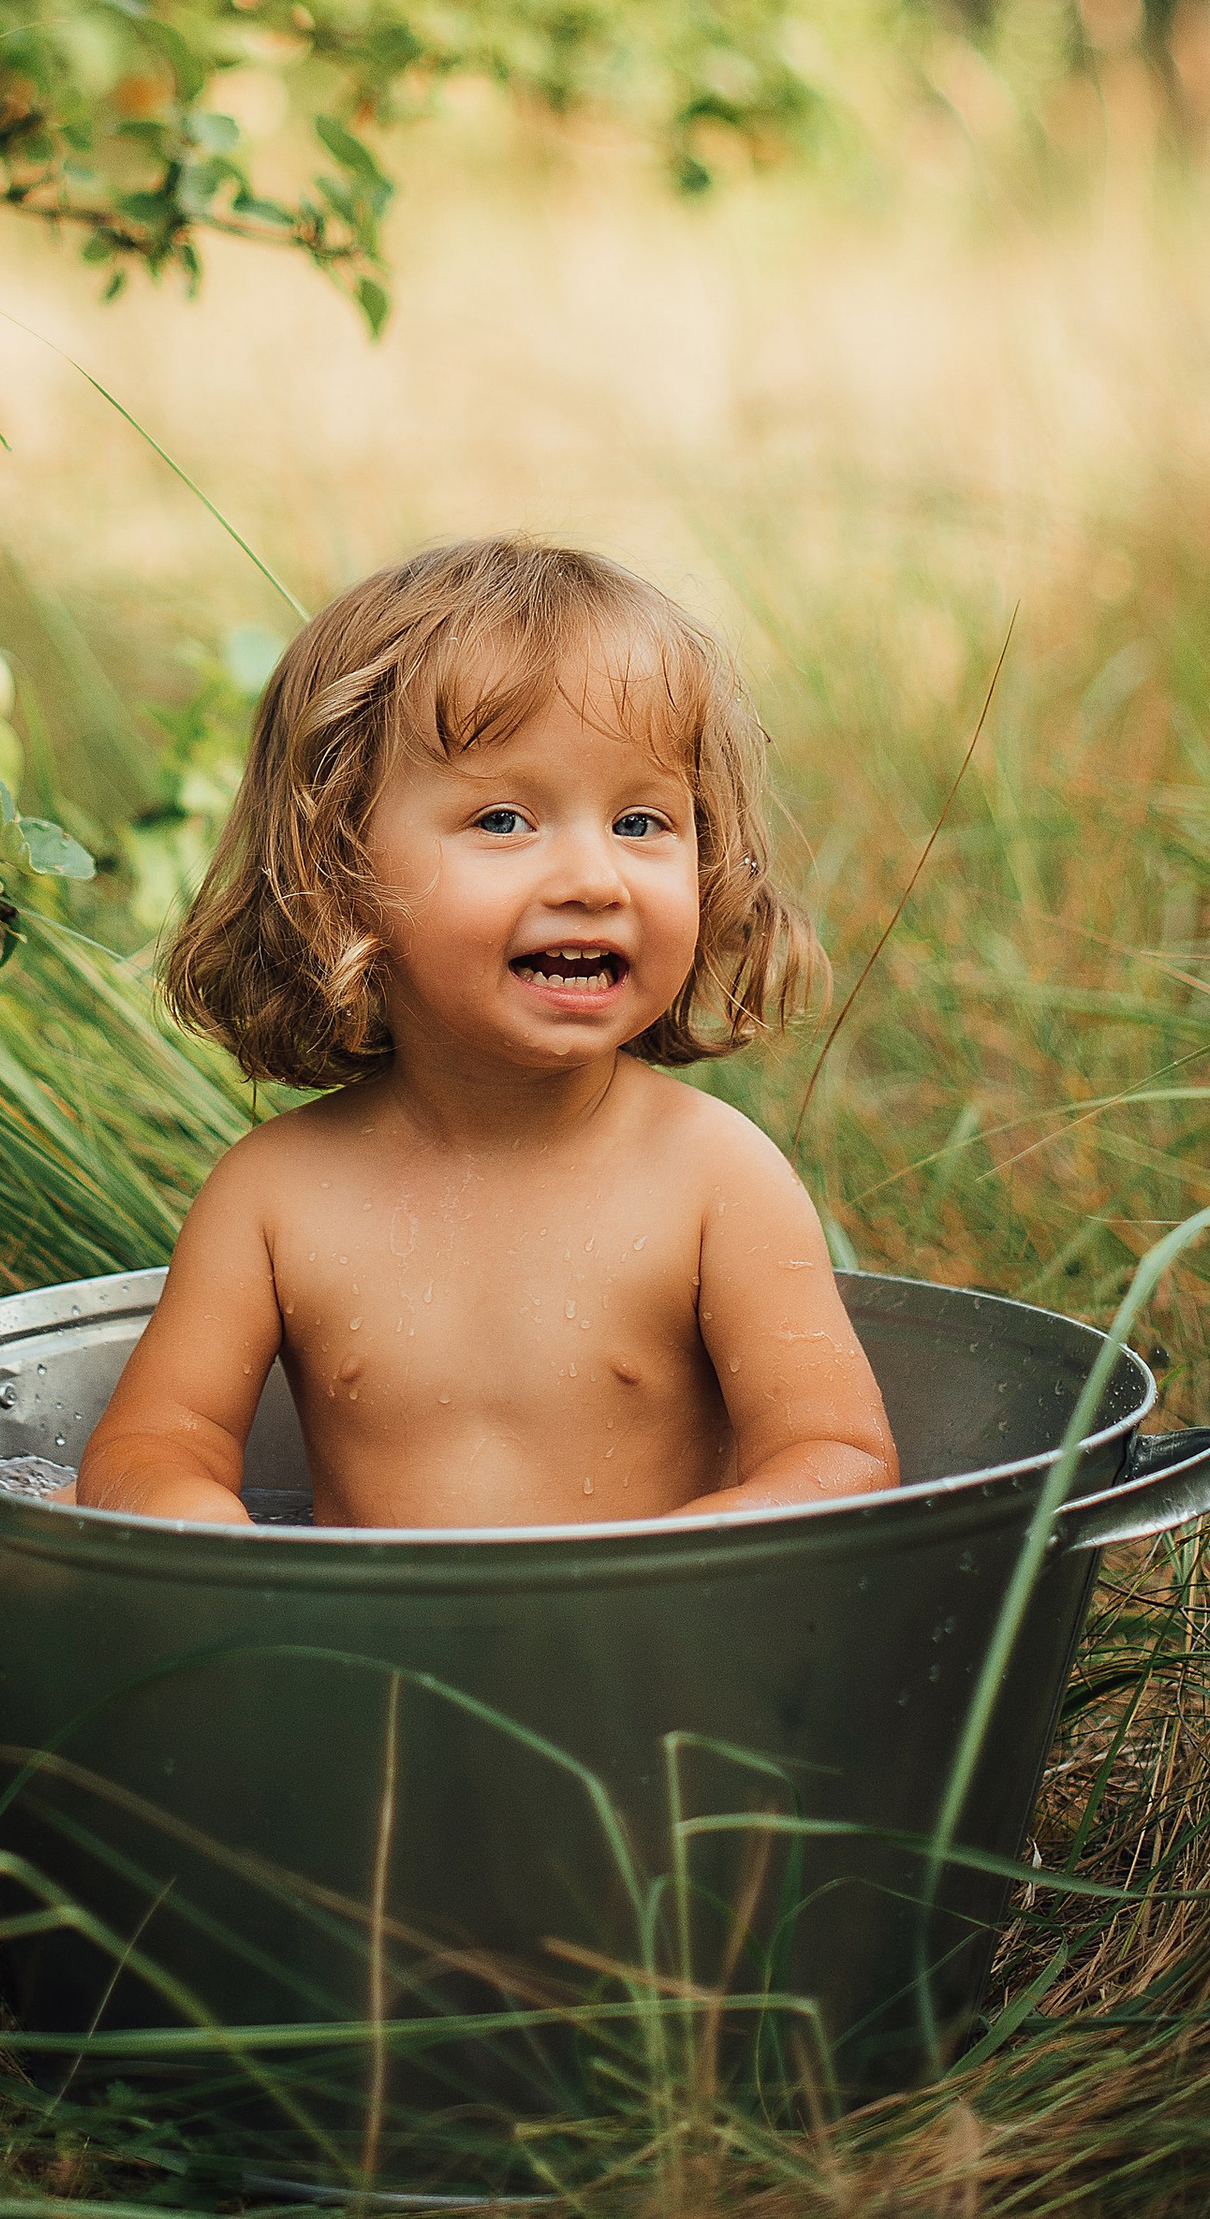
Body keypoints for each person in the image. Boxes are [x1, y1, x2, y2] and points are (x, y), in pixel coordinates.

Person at [72, 538, 897, 1531]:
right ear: (341, 870)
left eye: (641, 822)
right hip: (367, 1674)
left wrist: (681, 1551)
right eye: (504, 819)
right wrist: (195, 1516)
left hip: (646, 1660)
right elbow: (153, 1441)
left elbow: (837, 1454)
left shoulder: (715, 1180)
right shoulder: (275, 1195)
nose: (594, 878)